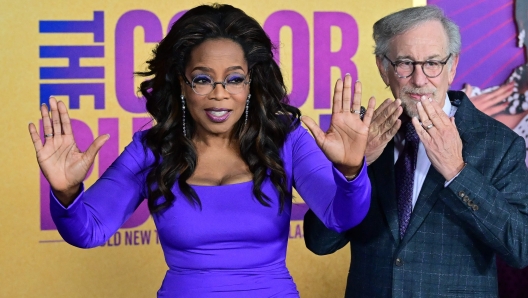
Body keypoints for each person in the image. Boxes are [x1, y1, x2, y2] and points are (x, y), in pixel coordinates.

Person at [27, 4, 374, 298]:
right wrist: (66, 191)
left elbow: (342, 217)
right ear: (182, 82)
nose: (219, 94)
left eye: (235, 79)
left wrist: (349, 172)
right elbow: (88, 232)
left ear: (251, 82)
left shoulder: (286, 140)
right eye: (203, 79)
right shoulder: (151, 150)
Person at [303, 5, 528, 297]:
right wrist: (352, 172)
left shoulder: (500, 143)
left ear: (453, 65)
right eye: (405, 63)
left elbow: (521, 248)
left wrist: (457, 173)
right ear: (384, 68)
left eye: (433, 63)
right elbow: (319, 243)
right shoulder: (360, 136)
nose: (420, 80)